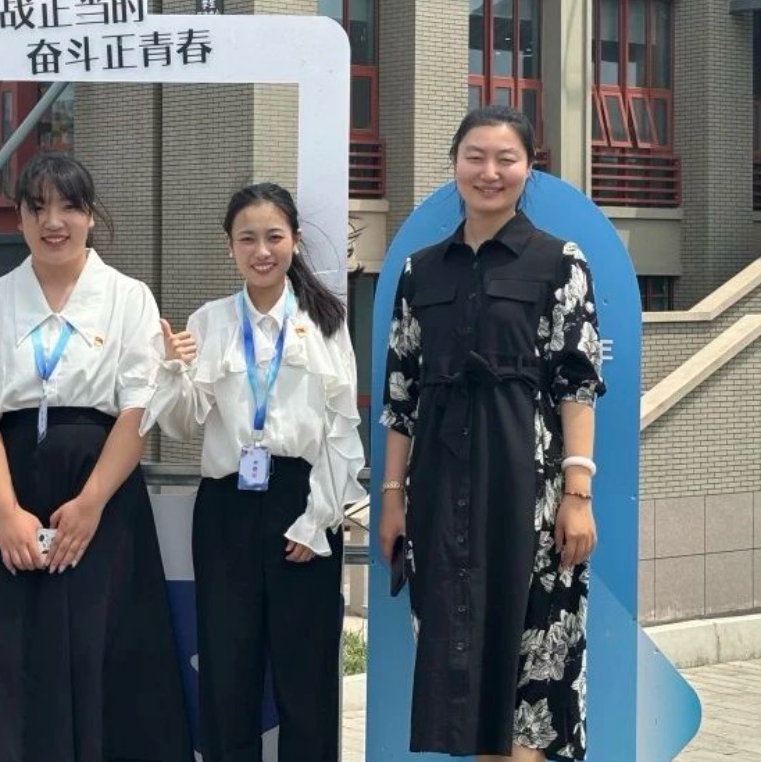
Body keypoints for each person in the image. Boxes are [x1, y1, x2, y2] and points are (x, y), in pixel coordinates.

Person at [378, 105, 605, 762]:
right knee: (465, 691)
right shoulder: (421, 270)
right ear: (454, 165)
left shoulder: (559, 261)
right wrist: (392, 497)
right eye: (475, 156)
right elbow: (401, 393)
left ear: (529, 168)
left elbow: (577, 384)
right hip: (439, 498)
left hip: (529, 496)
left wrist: (577, 494)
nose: (489, 171)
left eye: (506, 158)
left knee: (531, 685)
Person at [0, 152, 191, 762]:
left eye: (68, 207)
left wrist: (90, 505)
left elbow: (137, 411)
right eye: (37, 208)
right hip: (10, 493)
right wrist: (3, 512)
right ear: (19, 219)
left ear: (91, 215)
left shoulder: (128, 297)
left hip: (102, 495)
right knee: (10, 661)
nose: (52, 222)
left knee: (99, 650)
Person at [147, 182, 367, 762]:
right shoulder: (210, 320)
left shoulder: (326, 320)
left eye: (274, 237)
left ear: (294, 240)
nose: (261, 251)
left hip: (303, 502)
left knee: (307, 673)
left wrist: (318, 520)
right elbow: (183, 424)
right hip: (227, 506)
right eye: (247, 239)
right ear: (229, 246)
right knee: (227, 668)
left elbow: (341, 429)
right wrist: (172, 371)